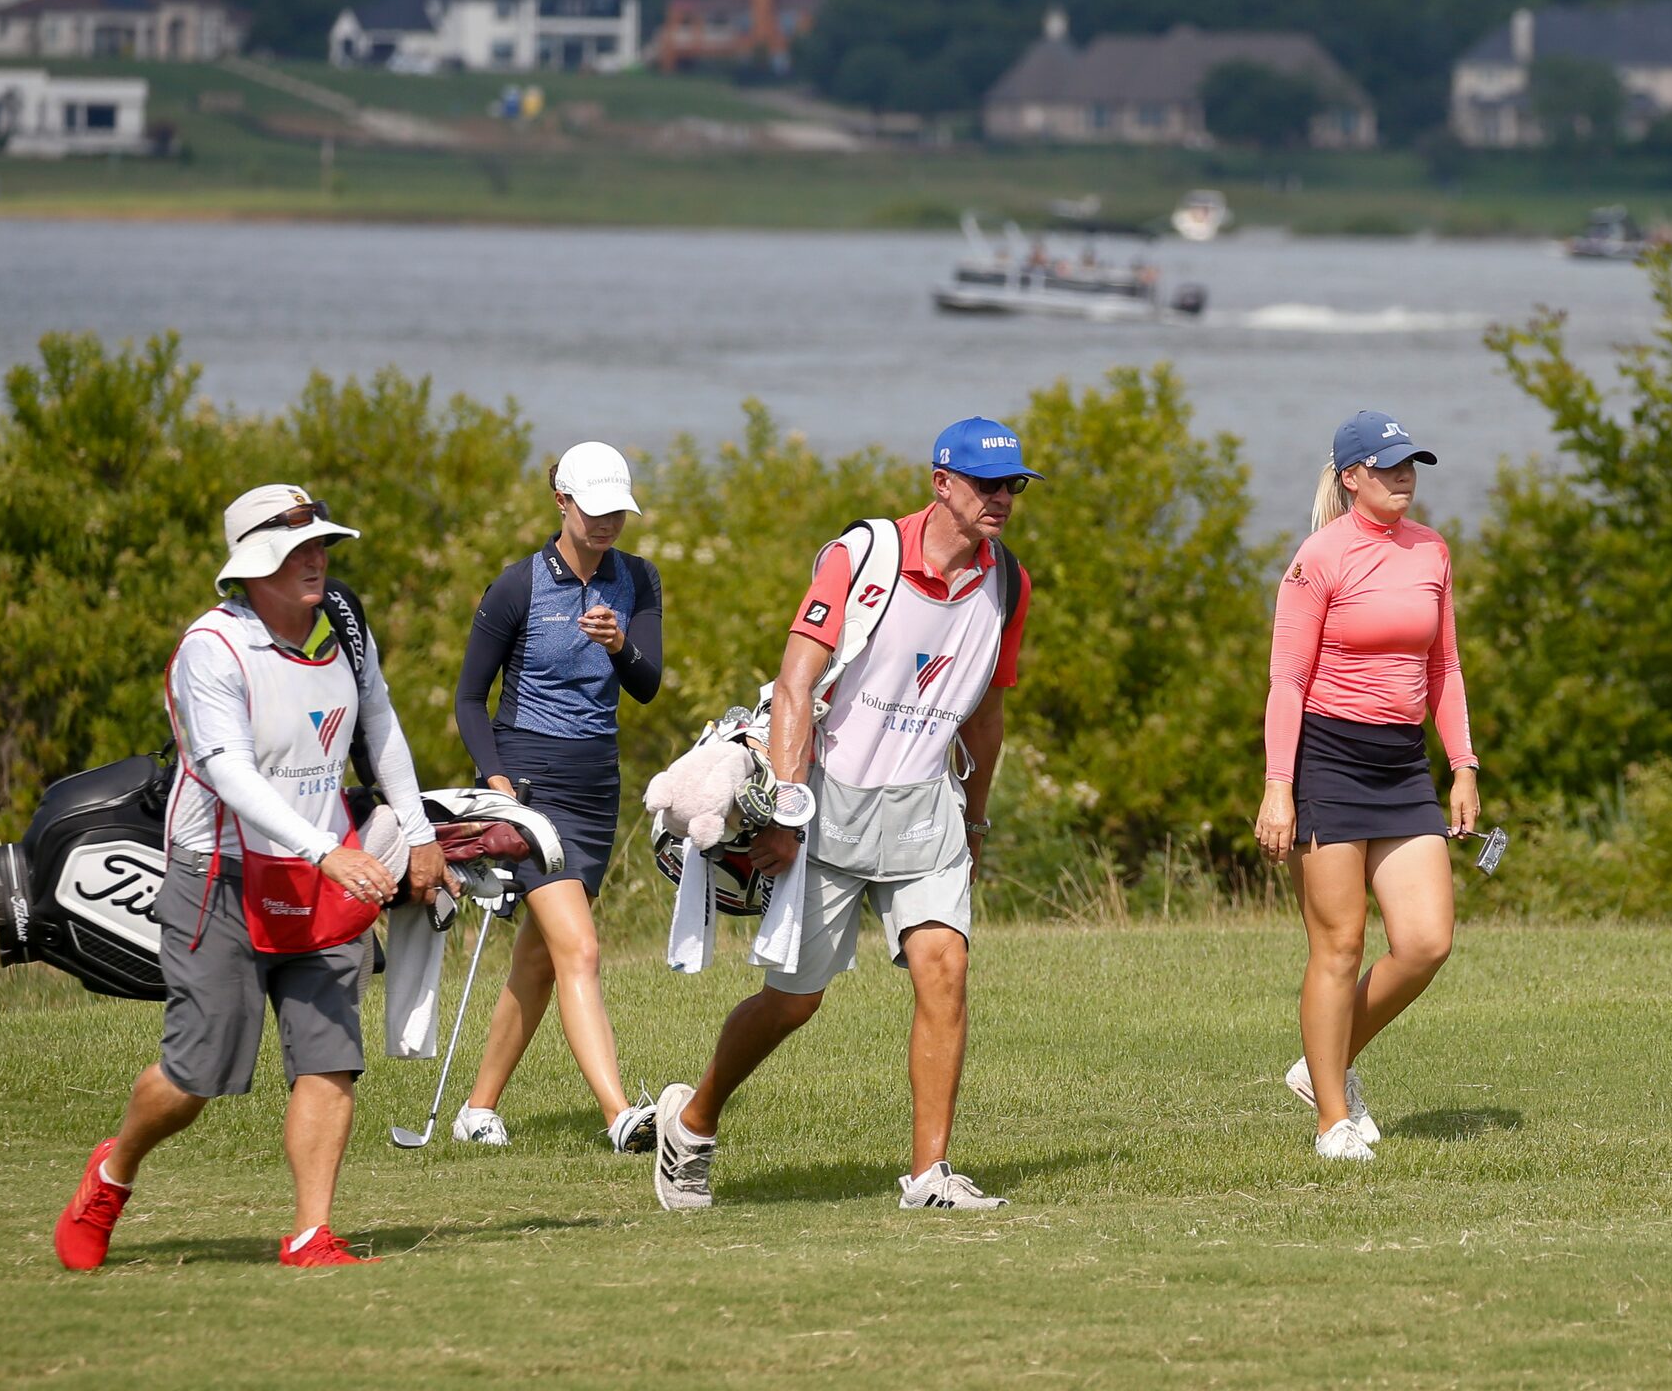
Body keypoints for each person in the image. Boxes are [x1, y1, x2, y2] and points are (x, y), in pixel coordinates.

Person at [54, 486, 451, 1270]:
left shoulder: (341, 622)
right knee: (195, 1077)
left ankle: (311, 1232)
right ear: (253, 566)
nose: (317, 560)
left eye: (321, 546)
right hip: (220, 880)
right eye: (296, 550)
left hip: (324, 878)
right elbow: (227, 772)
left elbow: (381, 725)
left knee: (330, 1055)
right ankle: (113, 1170)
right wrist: (326, 849)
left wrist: (417, 831)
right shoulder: (213, 647)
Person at [651, 417, 1037, 1214]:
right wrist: (787, 814)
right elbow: (796, 686)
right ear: (941, 482)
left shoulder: (1009, 582)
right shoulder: (861, 557)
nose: (1001, 499)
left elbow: (987, 712)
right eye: (985, 484)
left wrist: (977, 814)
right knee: (794, 1000)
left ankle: (929, 1176)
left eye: (1013, 487)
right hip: (827, 805)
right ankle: (690, 1124)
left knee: (945, 972)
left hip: (927, 809)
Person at [1253, 412, 1480, 1163]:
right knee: (1340, 945)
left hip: (1401, 765)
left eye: (1410, 465)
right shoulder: (1319, 559)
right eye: (1387, 467)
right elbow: (1285, 681)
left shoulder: (1431, 552)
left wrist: (1463, 766)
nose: (1403, 477)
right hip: (1326, 760)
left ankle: (1320, 1062)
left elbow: (1443, 668)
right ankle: (1331, 1121)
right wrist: (1278, 787)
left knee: (1425, 941)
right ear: (1350, 477)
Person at [449, 441, 665, 1152]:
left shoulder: (637, 580)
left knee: (540, 958)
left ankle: (477, 1109)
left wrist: (617, 647)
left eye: (617, 513)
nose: (606, 525)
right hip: (531, 782)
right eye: (594, 511)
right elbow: (470, 698)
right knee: (580, 949)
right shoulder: (516, 587)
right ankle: (618, 1115)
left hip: (597, 785)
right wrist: (495, 783)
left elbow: (646, 683)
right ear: (561, 502)